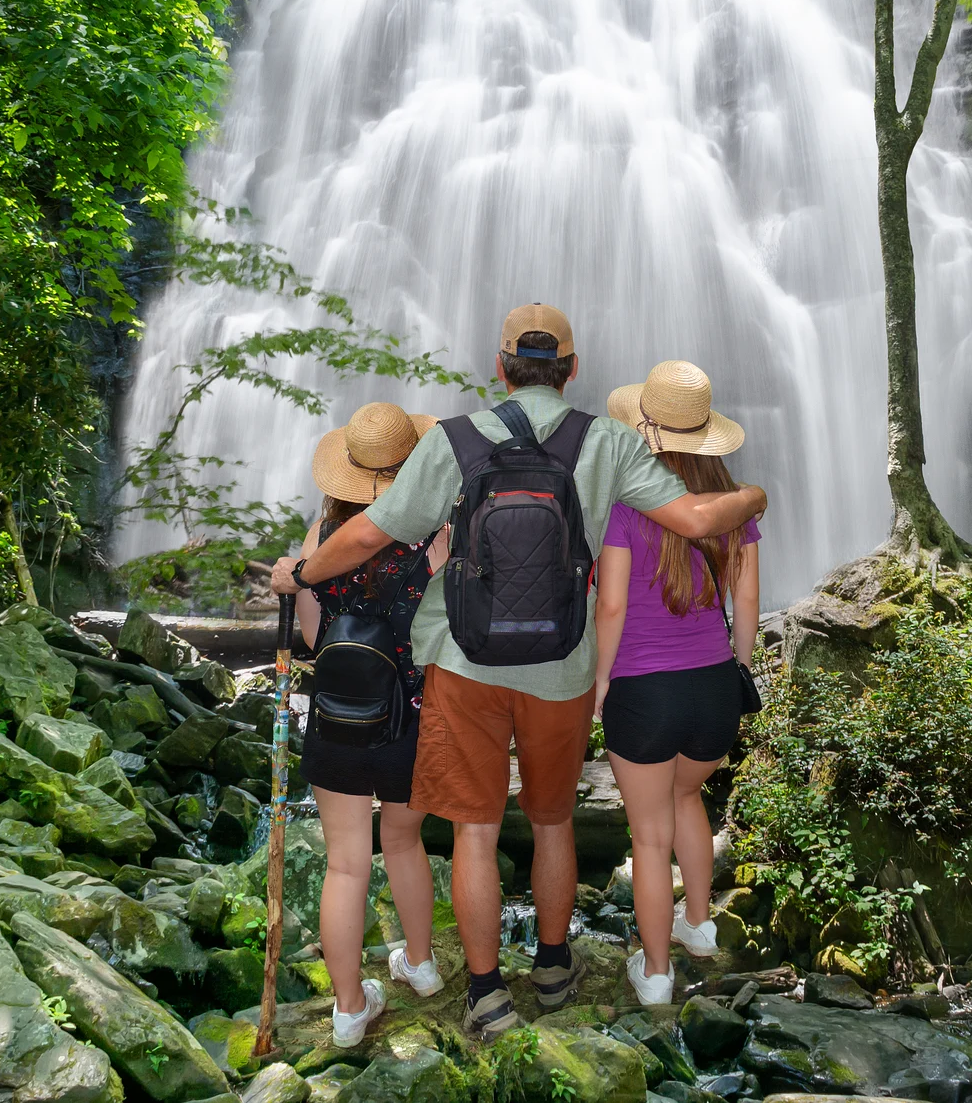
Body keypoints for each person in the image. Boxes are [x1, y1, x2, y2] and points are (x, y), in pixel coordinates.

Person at [273, 303, 768, 1038]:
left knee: (474, 830)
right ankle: (552, 961)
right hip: (563, 667)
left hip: (463, 665)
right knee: (554, 820)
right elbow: (698, 520)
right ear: (571, 371)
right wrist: (755, 496)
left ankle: (484, 992)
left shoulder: (451, 442)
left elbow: (371, 533)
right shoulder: (605, 442)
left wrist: (301, 573)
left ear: (500, 369)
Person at [592, 361, 759, 1006]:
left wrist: (602, 679)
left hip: (643, 690)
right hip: (714, 686)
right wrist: (740, 666)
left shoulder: (625, 507)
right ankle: (701, 927)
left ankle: (656, 974)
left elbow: (610, 606)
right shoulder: (732, 509)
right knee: (689, 800)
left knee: (649, 834)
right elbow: (746, 599)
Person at [294, 402, 448, 1048]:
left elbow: (308, 638)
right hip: (411, 721)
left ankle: (350, 1007)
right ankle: (420, 964)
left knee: (347, 867)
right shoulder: (434, 536)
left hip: (337, 719)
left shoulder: (322, 538)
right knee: (407, 842)